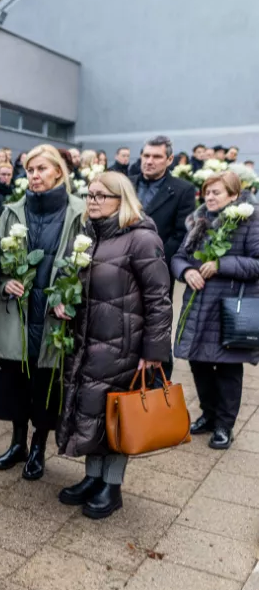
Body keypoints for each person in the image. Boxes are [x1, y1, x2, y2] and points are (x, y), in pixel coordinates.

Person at [56, 171, 171, 519]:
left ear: (121, 200)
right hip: (88, 344)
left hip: (125, 347)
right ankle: (93, 477)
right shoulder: (89, 236)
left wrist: (153, 353)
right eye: (89, 194)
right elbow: (73, 283)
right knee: (91, 410)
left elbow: (159, 299)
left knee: (117, 416)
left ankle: (112, 486)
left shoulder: (141, 240)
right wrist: (62, 303)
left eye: (100, 196)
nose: (92, 201)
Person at [0, 144, 86, 480]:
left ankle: (39, 447)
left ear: (59, 171)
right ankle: (18, 444)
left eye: (42, 169)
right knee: (16, 377)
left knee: (46, 381)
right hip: (19, 311)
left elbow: (87, 265)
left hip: (53, 314)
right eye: (30, 170)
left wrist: (69, 298)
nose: (35, 175)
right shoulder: (13, 211)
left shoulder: (79, 212)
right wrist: (4, 282)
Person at [173, 171, 259, 450]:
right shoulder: (199, 221)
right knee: (198, 363)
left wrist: (223, 264)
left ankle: (224, 425)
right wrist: (185, 271)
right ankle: (208, 415)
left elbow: (257, 263)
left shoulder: (249, 221)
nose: (209, 197)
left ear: (234, 196)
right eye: (207, 192)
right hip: (198, 305)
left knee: (227, 369)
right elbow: (178, 257)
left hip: (227, 307)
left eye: (216, 193)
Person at [130, 136, 195, 281]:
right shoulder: (126, 184)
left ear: (170, 159)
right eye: (146, 156)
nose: (149, 161)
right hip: (121, 265)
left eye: (157, 156)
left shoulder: (183, 190)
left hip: (158, 269)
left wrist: (154, 260)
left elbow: (181, 234)